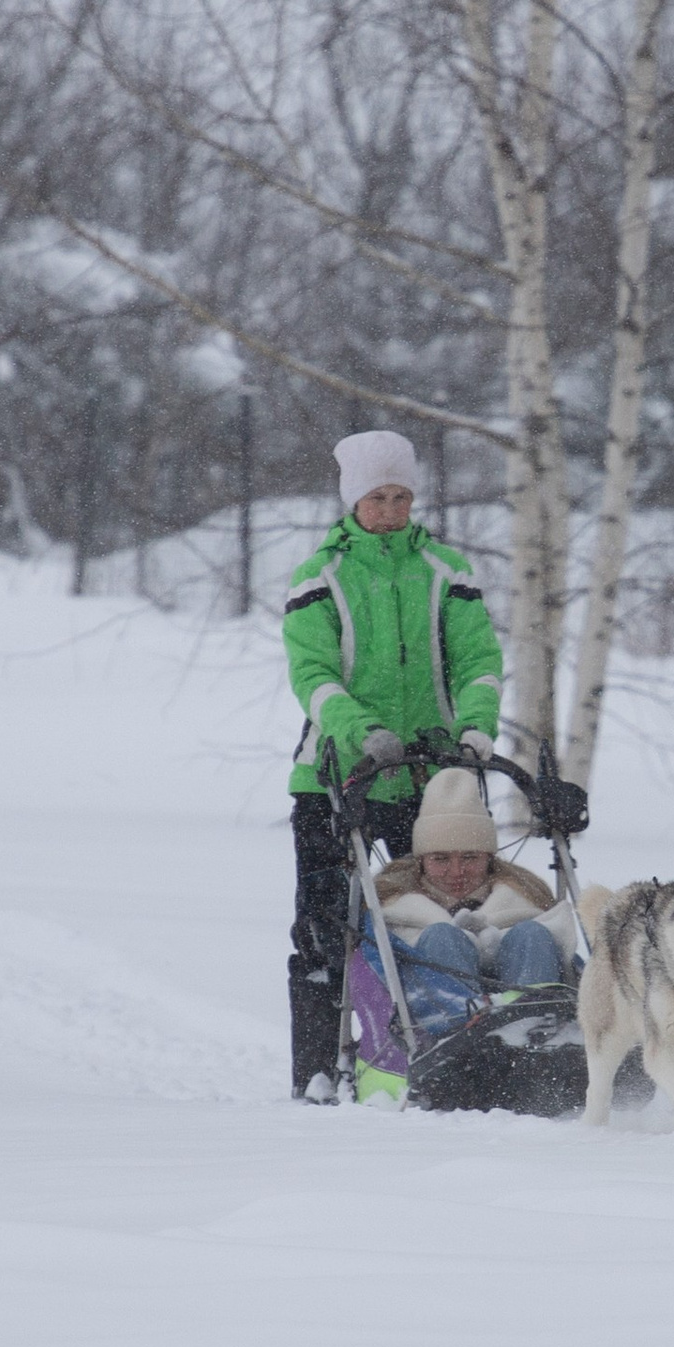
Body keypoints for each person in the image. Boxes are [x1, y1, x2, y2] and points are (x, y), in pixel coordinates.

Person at [281, 429, 505, 1099]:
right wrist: (361, 731)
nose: (391, 509)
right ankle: (319, 1070)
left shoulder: (446, 570)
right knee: (328, 923)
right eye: (378, 497)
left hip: (432, 774)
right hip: (338, 775)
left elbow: (479, 660)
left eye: (402, 496)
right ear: (355, 500)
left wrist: (474, 729)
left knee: (450, 907)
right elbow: (312, 674)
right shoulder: (319, 578)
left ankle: (456, 1034)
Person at [371, 768, 577, 1030]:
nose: (457, 872)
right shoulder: (396, 907)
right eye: (440, 859)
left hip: (528, 1025)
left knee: (532, 934)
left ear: (489, 859)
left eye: (470, 858)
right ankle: (462, 1027)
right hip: (441, 1034)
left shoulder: (525, 898)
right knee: (441, 937)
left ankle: (533, 1022)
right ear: (421, 862)